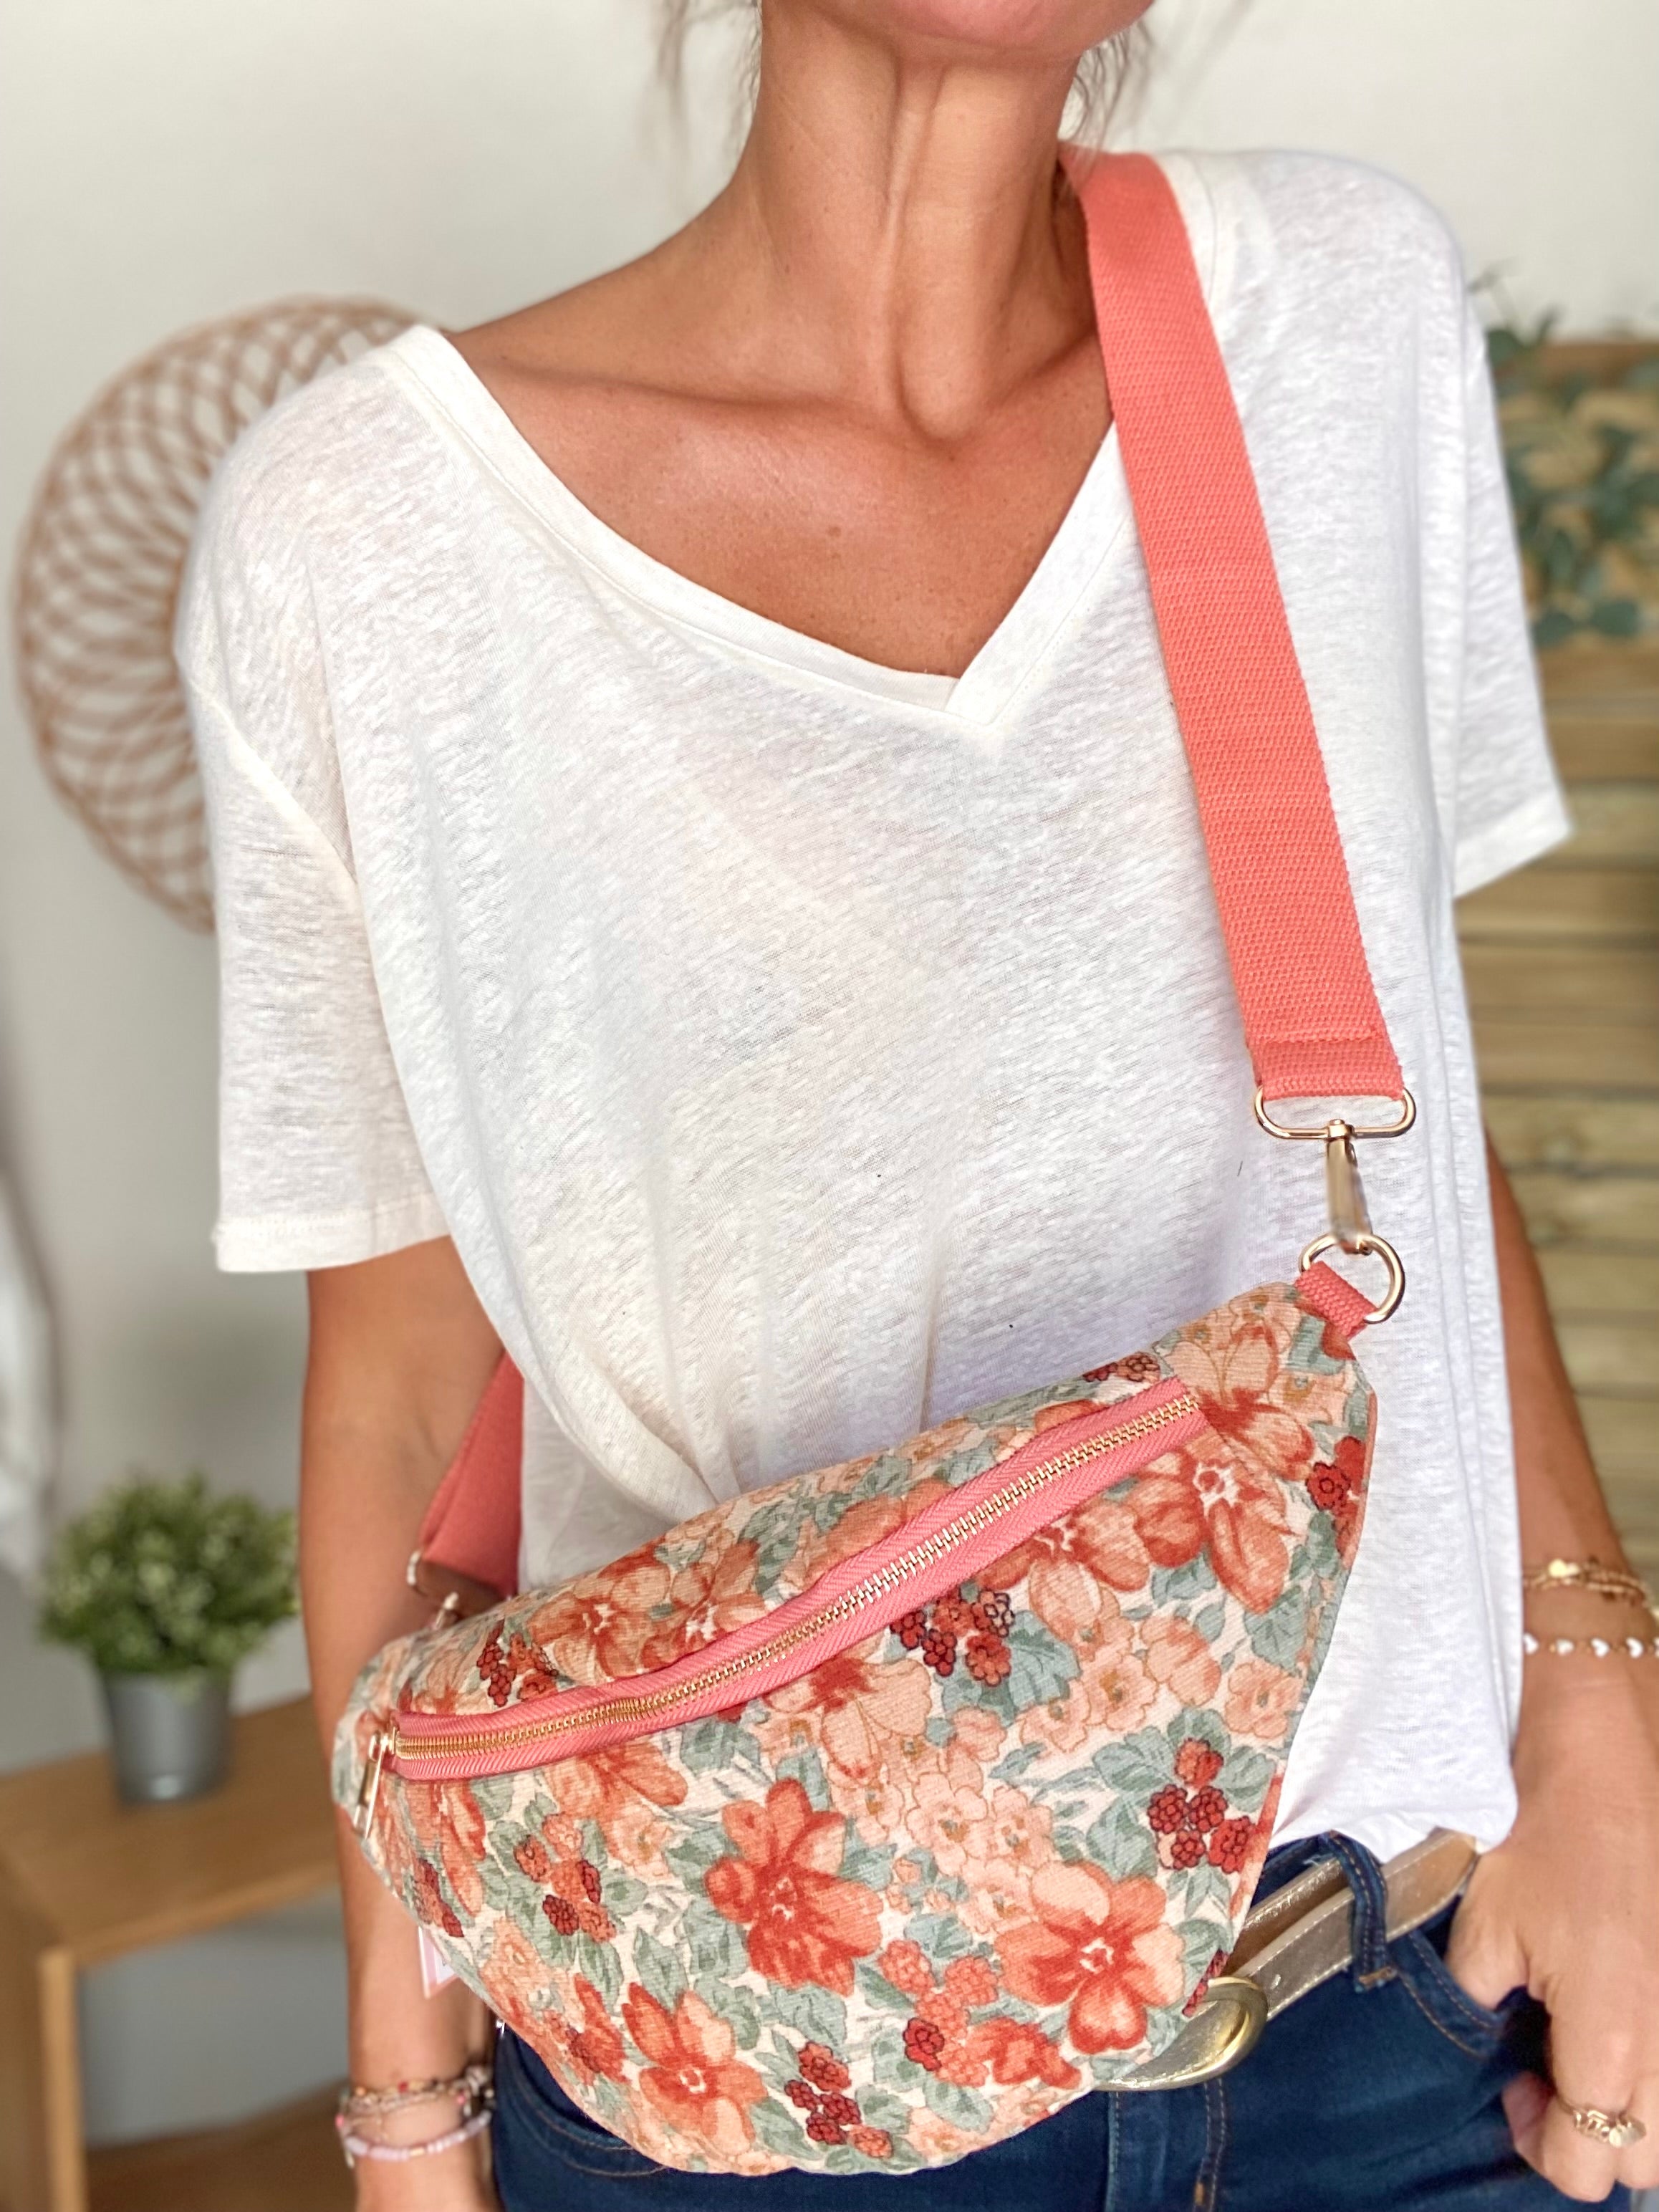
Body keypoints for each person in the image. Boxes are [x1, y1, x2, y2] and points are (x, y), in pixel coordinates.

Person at [178, 1, 1659, 2205]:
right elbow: (399, 1398)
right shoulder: (361, 534)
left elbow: (1402, 1106)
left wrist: (1598, 1696)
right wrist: (410, 2100)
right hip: (729, 2074)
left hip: (1397, 2025)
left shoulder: (1337, 315)